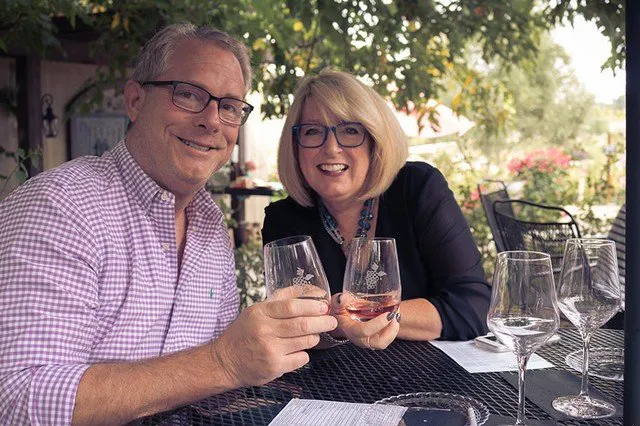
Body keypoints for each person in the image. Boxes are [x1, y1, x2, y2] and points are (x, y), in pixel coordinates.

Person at [0, 24, 337, 425]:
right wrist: (224, 362)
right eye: (189, 94)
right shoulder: (61, 206)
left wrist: (268, 343)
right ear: (135, 100)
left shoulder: (210, 224)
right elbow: (17, 397)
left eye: (229, 106)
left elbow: (217, 367)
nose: (212, 121)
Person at [262, 69, 490, 349]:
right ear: (295, 146)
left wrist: (364, 314)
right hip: (331, 384)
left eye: (350, 131)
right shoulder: (283, 220)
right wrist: (336, 326)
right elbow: (287, 329)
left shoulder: (417, 189)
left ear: (374, 141)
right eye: (312, 131)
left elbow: (473, 307)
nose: (331, 148)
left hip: (432, 380)